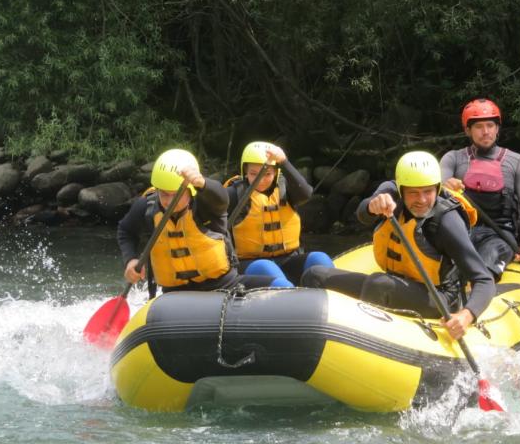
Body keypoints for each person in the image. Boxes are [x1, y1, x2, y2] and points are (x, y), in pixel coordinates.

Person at [302, 151, 495, 340]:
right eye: (413, 193)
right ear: (401, 190)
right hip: (398, 285)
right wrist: (372, 206)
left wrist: (467, 314)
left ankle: (363, 346)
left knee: (379, 284)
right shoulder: (390, 193)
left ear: (437, 188)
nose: (422, 200)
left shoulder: (446, 221)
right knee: (315, 275)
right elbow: (363, 214)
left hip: (439, 297)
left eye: (428, 191)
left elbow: (484, 280)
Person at [117, 148, 290, 295]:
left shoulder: (206, 205)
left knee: (282, 287)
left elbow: (222, 199)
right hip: (175, 295)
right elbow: (125, 230)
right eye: (164, 194)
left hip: (223, 286)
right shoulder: (146, 207)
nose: (169, 201)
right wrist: (130, 260)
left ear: (191, 191)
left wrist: (202, 183)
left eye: (175, 194)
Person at [440, 98, 520, 279]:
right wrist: (444, 185)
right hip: (461, 230)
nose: (485, 132)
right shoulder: (453, 159)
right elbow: (435, 187)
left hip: (500, 236)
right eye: (478, 127)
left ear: (497, 128)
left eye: (490, 125)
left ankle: (478, 289)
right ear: (468, 130)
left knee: (491, 256)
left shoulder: (516, 162)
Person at [223, 141, 333, 285]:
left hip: (288, 259)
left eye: (267, 174)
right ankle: (289, 296)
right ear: (245, 172)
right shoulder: (233, 194)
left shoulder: (286, 189)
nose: (261, 180)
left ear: (276, 172)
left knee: (320, 258)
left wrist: (284, 161)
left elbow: (306, 193)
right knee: (267, 267)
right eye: (253, 174)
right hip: (250, 265)